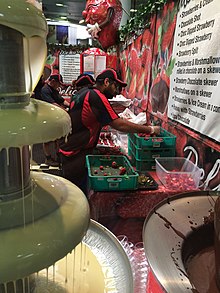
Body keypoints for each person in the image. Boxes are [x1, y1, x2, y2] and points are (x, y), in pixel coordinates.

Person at [59, 68, 160, 194]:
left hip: (69, 148)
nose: (116, 92)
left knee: (71, 191)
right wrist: (150, 129)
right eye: (115, 86)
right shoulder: (97, 96)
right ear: (107, 82)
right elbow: (118, 124)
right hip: (76, 153)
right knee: (76, 194)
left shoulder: (84, 92)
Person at [40, 73, 70, 166]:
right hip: (45, 117)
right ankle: (48, 159)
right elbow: (53, 104)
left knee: (57, 138)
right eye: (58, 83)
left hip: (53, 118)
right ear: (53, 82)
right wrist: (65, 111)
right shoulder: (45, 90)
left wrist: (71, 106)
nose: (59, 86)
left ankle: (58, 156)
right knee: (47, 139)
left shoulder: (54, 90)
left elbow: (61, 100)